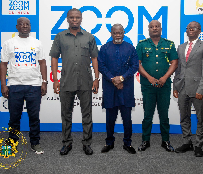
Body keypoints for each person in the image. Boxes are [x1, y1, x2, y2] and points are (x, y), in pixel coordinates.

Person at [49, 8, 99, 156]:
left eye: (77, 17)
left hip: (86, 81)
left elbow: (95, 58)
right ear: (67, 19)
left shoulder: (89, 37)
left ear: (81, 19)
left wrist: (96, 79)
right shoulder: (60, 37)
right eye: (72, 17)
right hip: (66, 81)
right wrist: (55, 79)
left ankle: (87, 143)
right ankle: (67, 143)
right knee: (66, 114)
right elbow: (54, 58)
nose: (75, 20)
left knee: (87, 115)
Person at [0, 17, 47, 155]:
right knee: (14, 117)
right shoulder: (9, 43)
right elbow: (3, 65)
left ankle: (35, 143)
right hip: (15, 85)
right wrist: (4, 84)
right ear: (17, 27)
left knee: (34, 117)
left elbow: (43, 63)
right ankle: (12, 143)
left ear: (30, 27)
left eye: (27, 24)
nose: (24, 26)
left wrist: (44, 81)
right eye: (21, 24)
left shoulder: (37, 43)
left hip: (34, 85)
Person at [136, 20, 178, 152]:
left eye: (157, 26)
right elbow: (137, 63)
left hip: (164, 85)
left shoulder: (169, 44)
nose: (154, 28)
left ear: (161, 28)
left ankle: (165, 141)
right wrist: (149, 78)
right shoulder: (142, 45)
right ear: (148, 29)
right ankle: (145, 141)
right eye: (151, 27)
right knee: (147, 114)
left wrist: (165, 78)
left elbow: (174, 62)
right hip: (147, 85)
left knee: (164, 115)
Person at [173, 21, 203, 157]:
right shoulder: (181, 47)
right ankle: (187, 142)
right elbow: (178, 69)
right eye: (188, 28)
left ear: (199, 30)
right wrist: (175, 86)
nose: (190, 30)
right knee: (184, 117)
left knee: (200, 118)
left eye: (193, 28)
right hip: (182, 88)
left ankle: (198, 145)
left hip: (197, 89)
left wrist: (201, 90)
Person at [98, 24, 139, 154]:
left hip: (126, 89)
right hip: (110, 88)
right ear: (111, 33)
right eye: (115, 33)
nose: (118, 35)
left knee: (127, 118)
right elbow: (101, 66)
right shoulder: (104, 48)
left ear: (124, 33)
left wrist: (121, 78)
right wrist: (113, 79)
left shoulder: (130, 48)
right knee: (110, 118)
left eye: (120, 32)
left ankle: (128, 143)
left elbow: (134, 66)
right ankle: (109, 142)